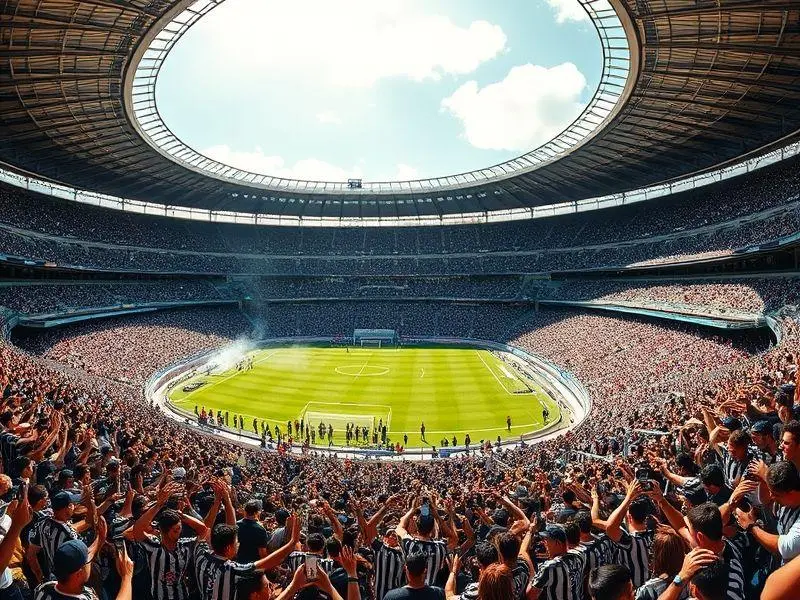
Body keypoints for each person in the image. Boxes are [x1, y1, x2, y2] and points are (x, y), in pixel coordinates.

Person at [193, 514, 300, 600]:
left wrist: (180, 515)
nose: (238, 544)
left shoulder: (201, 555)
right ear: (228, 548)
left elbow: (203, 530)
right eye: (236, 542)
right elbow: (267, 563)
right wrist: (292, 542)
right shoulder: (232, 570)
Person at [33, 539, 134, 600]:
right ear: (78, 574)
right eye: (88, 562)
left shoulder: (42, 588)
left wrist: (99, 539)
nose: (90, 563)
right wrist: (127, 576)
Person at [396, 496, 457, 587]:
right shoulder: (440, 547)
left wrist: (412, 509)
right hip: (432, 591)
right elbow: (454, 538)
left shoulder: (410, 544)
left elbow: (400, 527)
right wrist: (436, 515)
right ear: (432, 528)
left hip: (412, 590)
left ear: (417, 526)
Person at [527, 525, 570, 600]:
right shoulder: (577, 557)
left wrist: (532, 576)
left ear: (558, 543)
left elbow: (531, 595)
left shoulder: (549, 567)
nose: (544, 543)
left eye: (547, 539)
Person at [237, 499, 271, 563]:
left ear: (245, 511)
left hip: (238, 562)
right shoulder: (260, 530)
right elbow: (262, 553)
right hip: (253, 565)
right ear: (256, 513)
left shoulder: (237, 525)